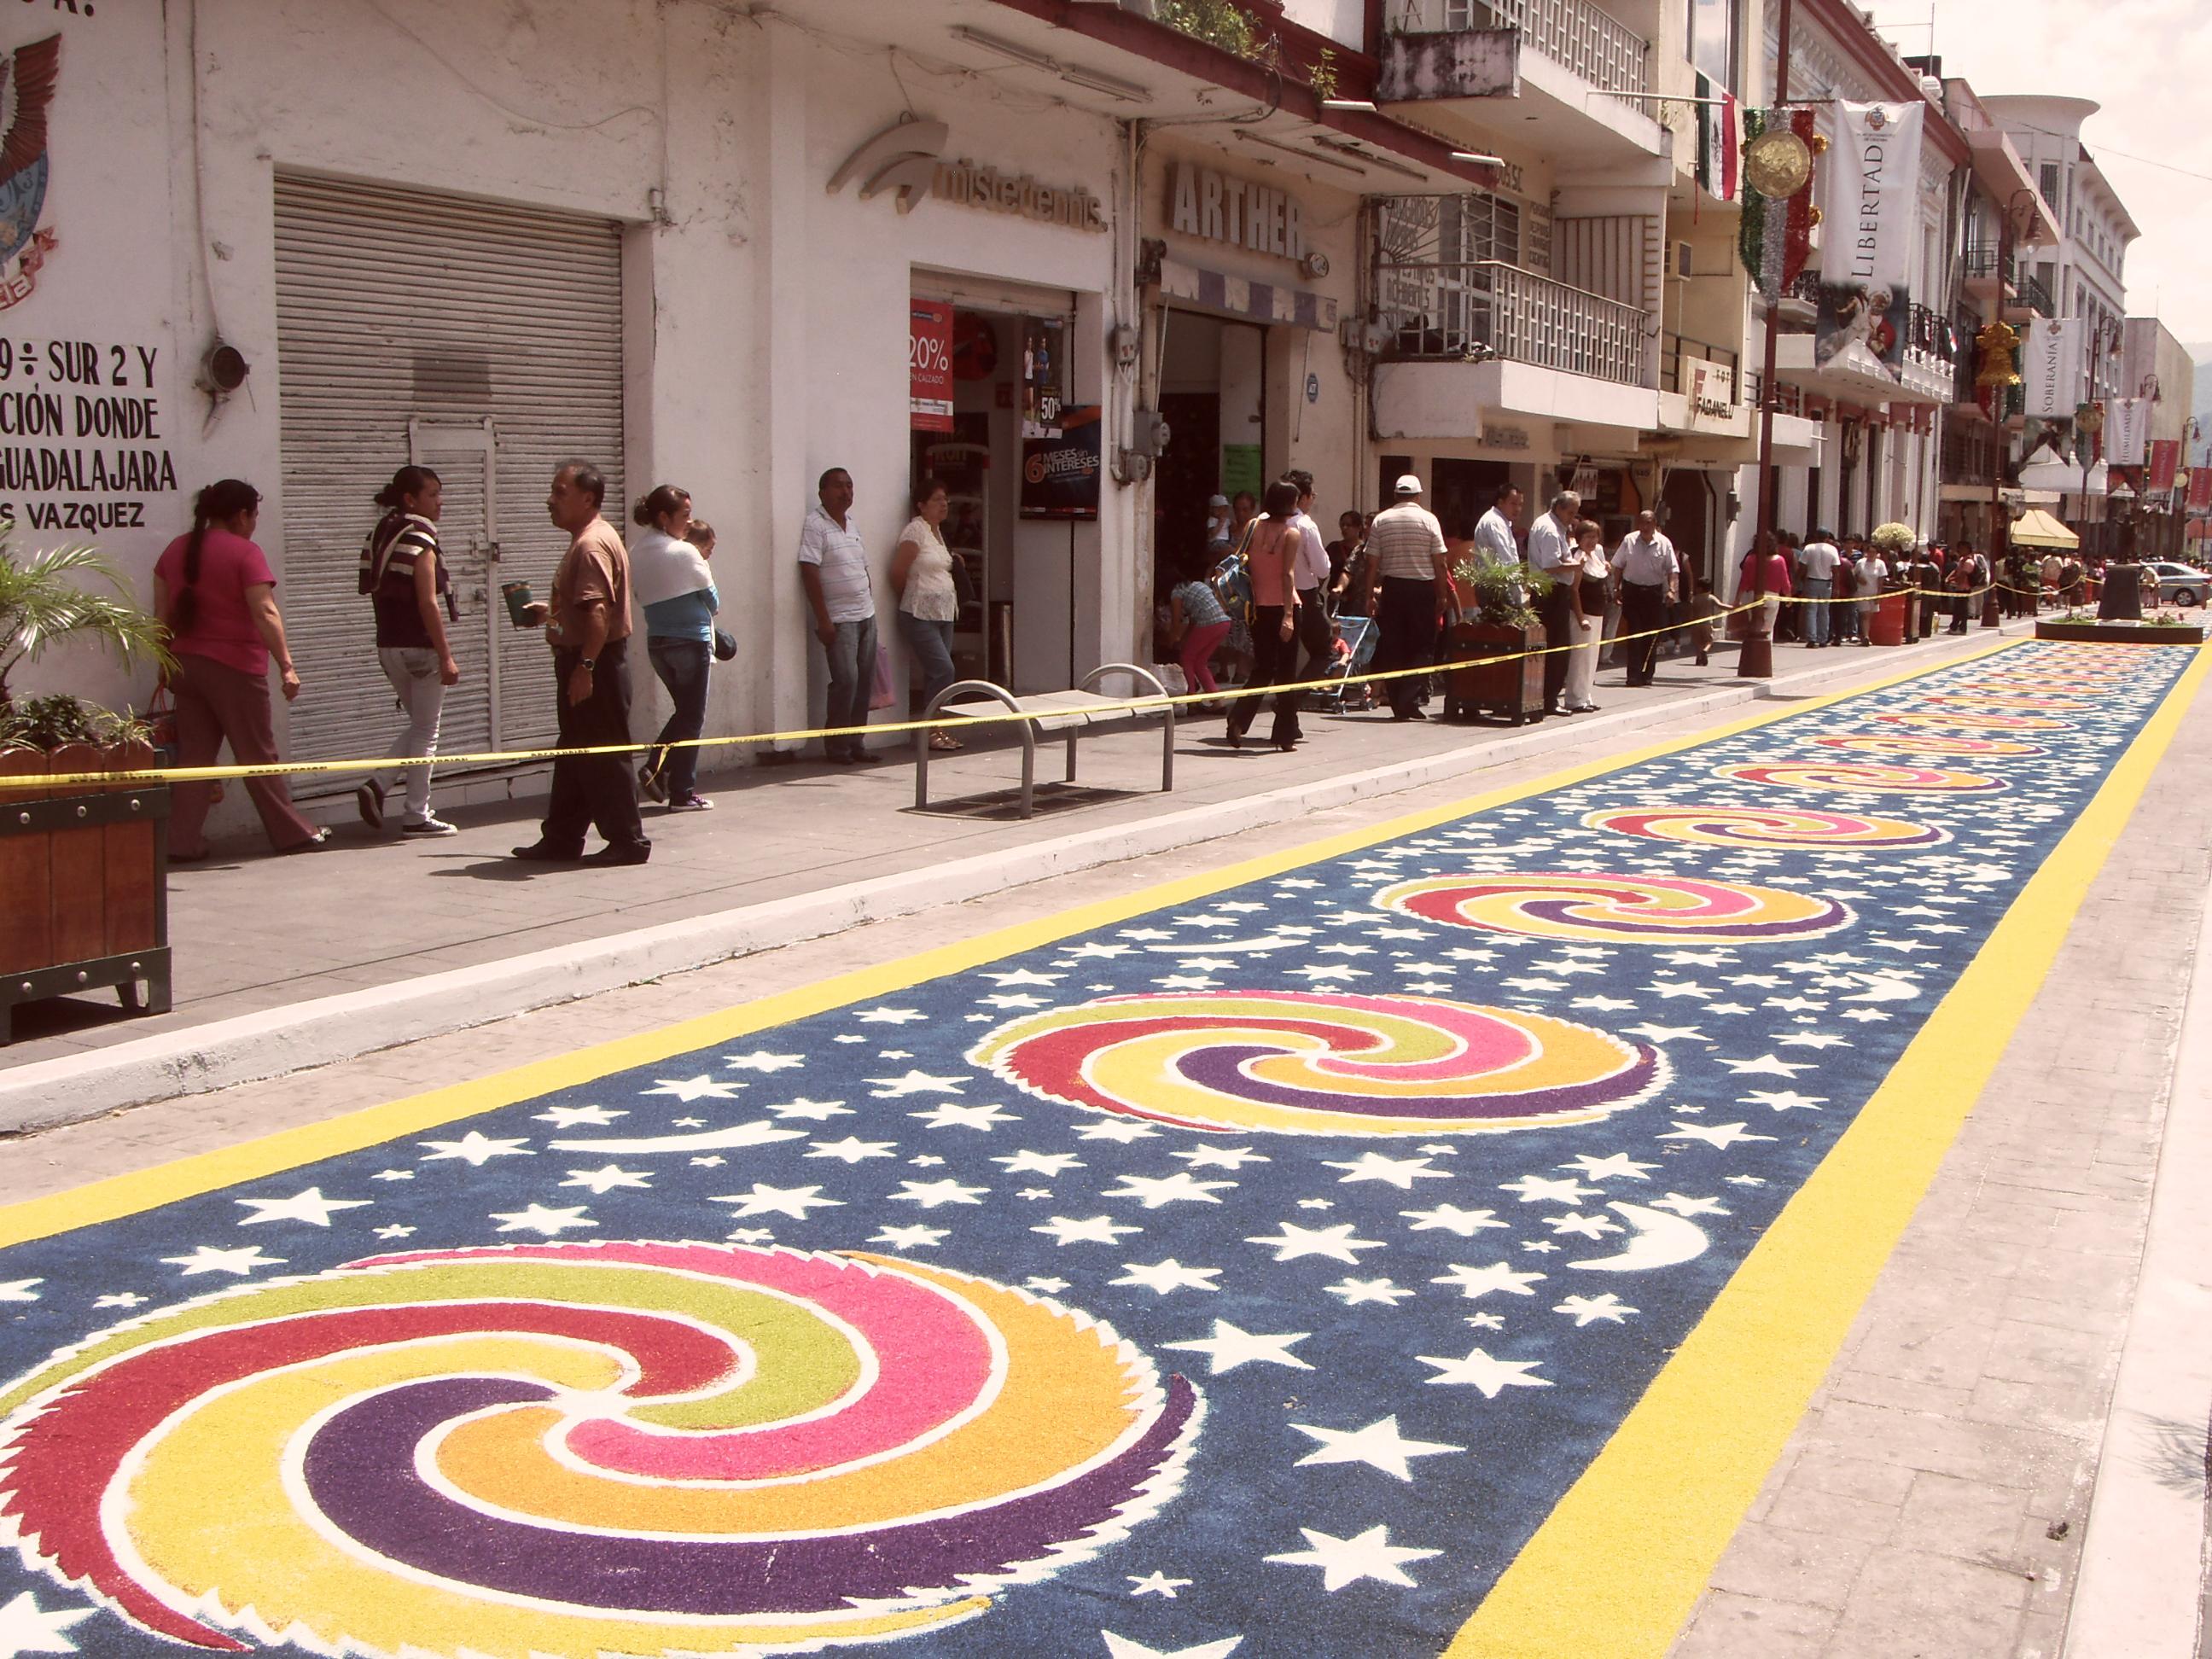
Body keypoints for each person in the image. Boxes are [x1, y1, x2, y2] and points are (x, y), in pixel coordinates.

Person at [153, 480, 329, 860]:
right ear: (241, 515)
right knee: (258, 754)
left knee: (194, 760)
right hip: (233, 667)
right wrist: (287, 665)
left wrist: (162, 663)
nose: (255, 524)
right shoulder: (245, 553)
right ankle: (292, 833)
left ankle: (180, 842)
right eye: (254, 515)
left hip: (186, 665)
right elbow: (265, 612)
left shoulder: (175, 550)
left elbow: (160, 617)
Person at [512, 461, 650, 865]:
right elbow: (583, 612)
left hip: (596, 665)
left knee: (604, 753)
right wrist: (550, 615)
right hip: (588, 659)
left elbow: (598, 615)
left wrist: (585, 668)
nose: (550, 501)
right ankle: (562, 837)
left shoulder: (590, 545)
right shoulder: (591, 539)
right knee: (575, 753)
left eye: (559, 493)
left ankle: (628, 841)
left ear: (587, 498)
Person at [356, 465, 460, 836]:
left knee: (419, 726)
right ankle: (416, 813)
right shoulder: (420, 539)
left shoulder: (379, 535)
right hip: (420, 647)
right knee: (427, 731)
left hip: (389, 646)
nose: (439, 501)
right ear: (410, 499)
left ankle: (379, 784)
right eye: (432, 494)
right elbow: (428, 602)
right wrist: (446, 654)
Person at [631, 484, 719, 811]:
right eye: (684, 516)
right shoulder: (684, 552)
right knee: (692, 717)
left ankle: (661, 771)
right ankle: (679, 789)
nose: (689, 522)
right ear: (663, 517)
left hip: (658, 643)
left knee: (685, 713)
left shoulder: (637, 551)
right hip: (690, 642)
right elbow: (714, 601)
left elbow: (641, 596)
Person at [798, 466, 879, 765]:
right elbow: (809, 569)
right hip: (839, 618)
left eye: (850, 486)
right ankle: (837, 746)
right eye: (838, 486)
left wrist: (869, 601)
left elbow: (863, 567)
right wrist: (823, 619)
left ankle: (857, 743)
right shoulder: (815, 524)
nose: (846, 492)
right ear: (823, 492)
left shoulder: (852, 525)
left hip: (865, 614)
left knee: (865, 682)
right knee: (846, 680)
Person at [1361, 474, 1452, 722]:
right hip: (1421, 589)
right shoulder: (1429, 520)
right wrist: (1442, 595)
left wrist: (1369, 595)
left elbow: (1372, 563)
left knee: (1393, 646)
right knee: (1422, 646)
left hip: (1393, 588)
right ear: (1418, 496)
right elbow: (1440, 562)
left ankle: (1399, 702)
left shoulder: (1382, 520)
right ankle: (1409, 700)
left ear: (1395, 495)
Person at [1226, 478, 1306, 750]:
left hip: (1257, 608)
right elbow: (1287, 575)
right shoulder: (1291, 534)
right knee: (1286, 673)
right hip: (1284, 606)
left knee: (1262, 669)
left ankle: (1237, 720)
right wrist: (1288, 615)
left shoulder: (1252, 527)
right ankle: (1284, 735)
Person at [892, 475, 962, 752]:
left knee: (941, 676)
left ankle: (940, 728)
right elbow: (898, 571)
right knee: (943, 669)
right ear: (921, 505)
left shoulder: (938, 532)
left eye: (945, 499)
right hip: (920, 613)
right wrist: (911, 598)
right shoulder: (915, 531)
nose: (943, 504)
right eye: (936, 500)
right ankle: (929, 729)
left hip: (945, 613)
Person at [1527, 490, 1582, 717]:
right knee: (1557, 648)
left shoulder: (1555, 526)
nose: (1573, 517)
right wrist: (1577, 564)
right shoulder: (1549, 529)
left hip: (1552, 590)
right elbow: (1551, 565)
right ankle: (1548, 699)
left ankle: (1547, 698)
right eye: (1570, 512)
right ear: (1559, 508)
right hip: (1551, 591)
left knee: (1554, 647)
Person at [1608, 509, 1679, 685]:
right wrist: (1616, 589)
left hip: (1654, 594)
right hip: (1632, 592)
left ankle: (1647, 674)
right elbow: (1618, 566)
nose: (1644, 527)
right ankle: (1633, 675)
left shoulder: (1664, 543)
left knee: (1651, 635)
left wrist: (1671, 590)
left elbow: (1673, 570)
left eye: (1648, 523)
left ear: (1655, 524)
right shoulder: (1629, 540)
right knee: (1634, 633)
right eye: (1642, 523)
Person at [1282, 470, 1335, 682]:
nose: (1313, 500)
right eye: (1312, 495)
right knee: (1323, 652)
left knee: (1283, 656)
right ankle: (1293, 699)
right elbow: (1323, 569)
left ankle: (1283, 703)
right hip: (1303, 595)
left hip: (1271, 595)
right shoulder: (1304, 525)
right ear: (1302, 497)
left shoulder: (1263, 523)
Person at [1169, 544, 1232, 701]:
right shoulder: (1196, 585)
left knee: (1186, 658)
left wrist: (1173, 640)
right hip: (1223, 622)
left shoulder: (1177, 592)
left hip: (1209, 622)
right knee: (1200, 662)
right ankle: (1216, 700)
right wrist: (1185, 639)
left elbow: (1176, 622)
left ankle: (1191, 698)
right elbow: (1193, 621)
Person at [1563, 520, 1608, 713]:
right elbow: (1574, 590)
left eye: (1595, 536)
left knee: (1592, 657)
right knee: (1580, 658)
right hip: (1584, 615)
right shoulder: (1578, 557)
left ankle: (1585, 694)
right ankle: (1575, 698)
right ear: (1579, 537)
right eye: (1588, 536)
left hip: (1598, 614)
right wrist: (1581, 617)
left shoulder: (1596, 557)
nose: (1592, 541)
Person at [1735, 532, 1795, 642]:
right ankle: (1766, 651)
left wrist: (1737, 599)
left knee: (1754, 625)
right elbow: (1785, 581)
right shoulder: (1780, 560)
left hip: (1753, 596)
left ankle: (1754, 650)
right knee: (1768, 628)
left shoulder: (1750, 559)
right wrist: (1788, 596)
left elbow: (1744, 581)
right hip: (1772, 597)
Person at [1797, 527, 1842, 648]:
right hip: (1827, 582)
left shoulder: (1809, 548)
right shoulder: (1832, 549)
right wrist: (1836, 587)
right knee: (1824, 611)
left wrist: (1796, 582)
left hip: (1812, 581)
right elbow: (1836, 570)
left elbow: (1802, 567)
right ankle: (1823, 638)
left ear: (1816, 537)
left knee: (1811, 611)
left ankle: (1812, 638)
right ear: (1827, 538)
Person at [1473, 484, 1523, 571]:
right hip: (1496, 582)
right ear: (1500, 503)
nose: (1518, 509)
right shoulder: (1495, 522)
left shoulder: (1501, 521)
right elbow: (1505, 560)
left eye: (1520, 505)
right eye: (1513, 504)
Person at [1325, 509, 1365, 606]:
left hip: (1360, 602)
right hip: (1337, 601)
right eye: (1342, 525)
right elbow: (1323, 572)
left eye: (1348, 525)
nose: (1344, 528)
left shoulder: (1365, 550)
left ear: (1359, 527)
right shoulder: (1334, 548)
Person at [1687, 576, 1723, 667]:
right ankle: (1705, 650)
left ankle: (1699, 658)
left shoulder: (1694, 599)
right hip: (1707, 623)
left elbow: (1691, 611)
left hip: (1695, 623)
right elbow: (1720, 605)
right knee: (1709, 641)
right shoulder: (1710, 597)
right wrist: (1733, 608)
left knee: (1698, 642)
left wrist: (1689, 621)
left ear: (1699, 589)